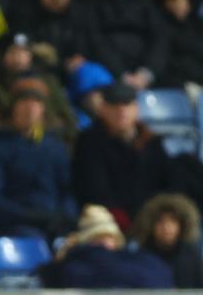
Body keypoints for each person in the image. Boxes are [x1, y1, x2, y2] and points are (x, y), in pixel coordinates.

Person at [0, 86, 76, 238]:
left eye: (36, 102)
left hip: (55, 223)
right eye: (24, 102)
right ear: (13, 109)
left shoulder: (54, 146)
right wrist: (32, 217)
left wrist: (65, 217)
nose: (30, 109)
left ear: (43, 110)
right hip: (16, 225)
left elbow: (67, 190)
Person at [72, 82, 171, 230]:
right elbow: (93, 191)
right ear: (103, 109)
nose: (121, 110)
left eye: (127, 104)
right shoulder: (89, 142)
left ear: (136, 108)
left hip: (151, 218)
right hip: (108, 220)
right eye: (114, 104)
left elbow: (163, 184)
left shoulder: (151, 141)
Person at [38, 205, 175, 295]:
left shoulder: (142, 261)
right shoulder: (75, 266)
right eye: (98, 238)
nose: (106, 244)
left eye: (110, 238)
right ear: (86, 242)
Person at [81, 0, 168, 90]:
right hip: (109, 75)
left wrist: (146, 73)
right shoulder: (89, 3)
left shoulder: (144, 1)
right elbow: (96, 42)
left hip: (148, 75)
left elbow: (159, 38)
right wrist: (121, 74)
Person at [0, 35, 77, 141]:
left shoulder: (49, 83)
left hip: (49, 145)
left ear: (30, 55)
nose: (18, 58)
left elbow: (68, 123)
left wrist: (39, 131)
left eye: (23, 52)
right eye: (12, 52)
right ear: (2, 56)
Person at [9, 0, 89, 77]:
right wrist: (32, 49)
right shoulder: (25, 13)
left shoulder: (79, 15)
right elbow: (20, 39)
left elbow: (86, 46)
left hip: (71, 73)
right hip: (35, 70)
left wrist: (79, 57)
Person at [131, 194, 202, 289]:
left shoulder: (190, 255)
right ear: (150, 225)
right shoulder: (141, 254)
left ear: (182, 225)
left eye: (172, 221)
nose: (166, 227)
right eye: (160, 221)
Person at [157, 0, 203, 89]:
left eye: (187, 0)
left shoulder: (193, 25)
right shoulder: (162, 27)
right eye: (182, 1)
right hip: (182, 85)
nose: (187, 5)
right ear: (169, 3)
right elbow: (166, 62)